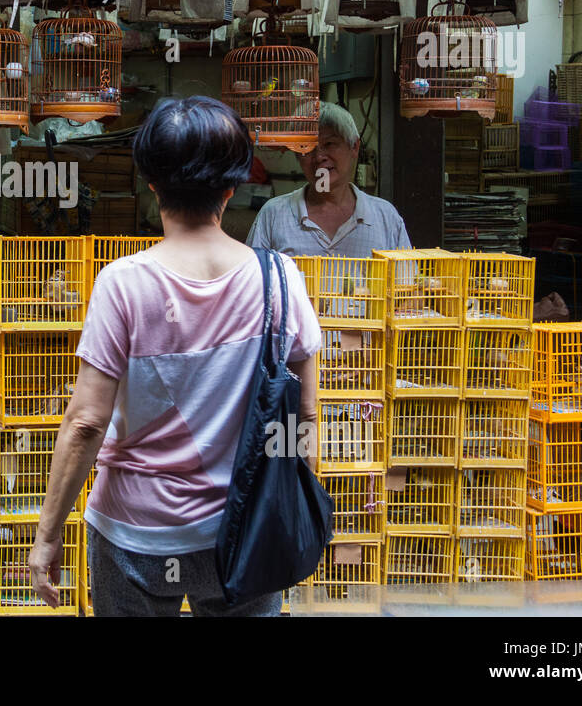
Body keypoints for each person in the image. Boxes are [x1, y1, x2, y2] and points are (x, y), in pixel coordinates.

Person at [27, 96, 322, 617]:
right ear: (232, 187)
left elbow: (85, 425)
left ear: (152, 183)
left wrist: (46, 538)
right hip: (242, 530)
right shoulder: (280, 280)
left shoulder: (123, 283)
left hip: (136, 537)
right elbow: (305, 419)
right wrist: (284, 512)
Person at [246, 103, 411, 258]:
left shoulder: (385, 217)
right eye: (307, 148)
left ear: (354, 147)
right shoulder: (274, 214)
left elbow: (407, 284)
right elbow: (253, 282)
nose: (319, 157)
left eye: (330, 144)